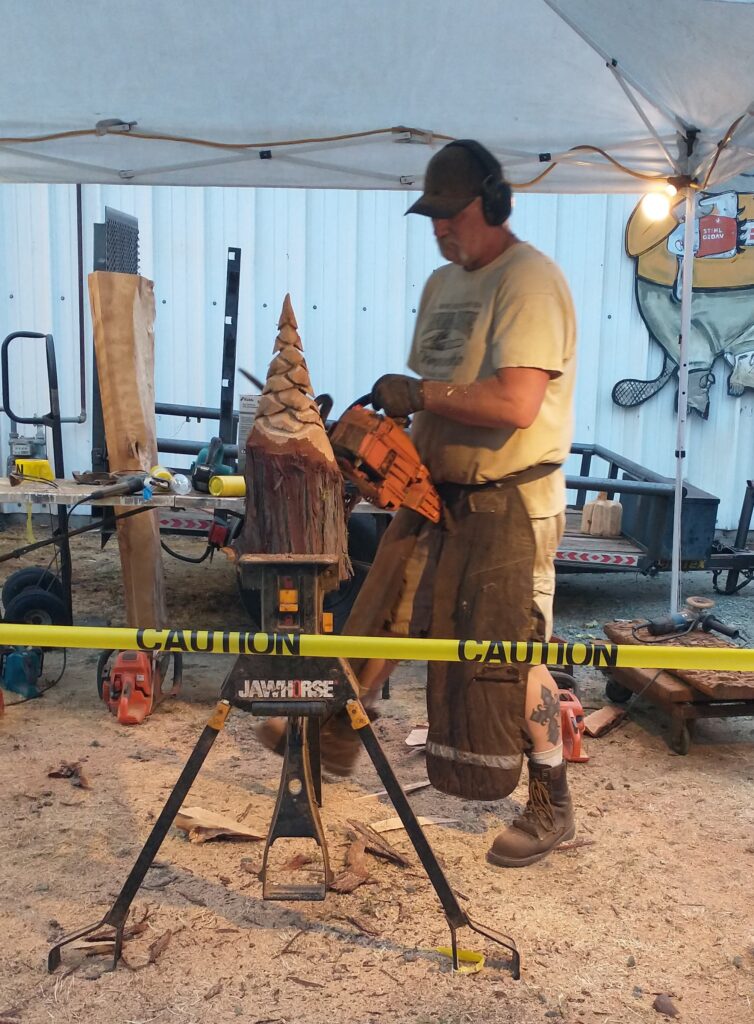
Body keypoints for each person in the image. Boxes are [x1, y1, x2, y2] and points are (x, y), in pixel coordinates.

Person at [260, 139, 578, 867]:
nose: (440, 229)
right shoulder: (442, 285)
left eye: (452, 215)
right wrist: (380, 437)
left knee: (506, 649)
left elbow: (516, 402)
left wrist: (422, 393)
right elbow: (434, 394)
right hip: (434, 487)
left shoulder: (529, 281)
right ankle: (334, 735)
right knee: (386, 605)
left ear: (493, 204)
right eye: (431, 216)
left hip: (510, 500)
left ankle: (552, 798)